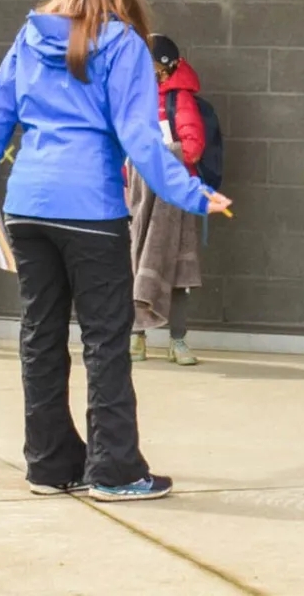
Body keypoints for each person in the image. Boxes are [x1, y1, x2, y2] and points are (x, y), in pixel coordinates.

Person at [0, 0, 232, 503]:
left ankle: (49, 465)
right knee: (107, 340)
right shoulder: (123, 43)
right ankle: (114, 472)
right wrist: (193, 190)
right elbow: (140, 135)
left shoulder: (30, 35)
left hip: (29, 205)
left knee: (40, 335)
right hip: (90, 209)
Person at [128, 34, 206, 367]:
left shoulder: (180, 99)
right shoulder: (131, 96)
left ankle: (177, 341)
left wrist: (158, 159)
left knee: (177, 270)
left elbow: (194, 146)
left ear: (164, 66)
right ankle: (136, 338)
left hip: (175, 197)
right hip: (137, 196)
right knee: (133, 264)